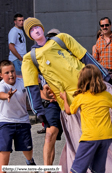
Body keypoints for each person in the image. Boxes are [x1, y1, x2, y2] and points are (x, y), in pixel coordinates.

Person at [22, 17, 112, 173]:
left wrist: (104, 76)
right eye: (31, 30)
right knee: (83, 143)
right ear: (29, 35)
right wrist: (38, 111)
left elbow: (86, 57)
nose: (36, 30)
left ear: (42, 28)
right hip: (74, 104)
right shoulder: (29, 59)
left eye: (37, 27)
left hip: (95, 91)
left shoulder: (62, 39)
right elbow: (31, 87)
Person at [60, 64, 112, 173]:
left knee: (77, 169)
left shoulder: (80, 97)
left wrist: (64, 99)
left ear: (81, 79)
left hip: (90, 137)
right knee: (98, 169)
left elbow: (69, 111)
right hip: (107, 137)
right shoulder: (107, 95)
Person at [25, 25, 63, 173]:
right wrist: (45, 94)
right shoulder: (37, 60)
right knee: (49, 135)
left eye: (55, 38)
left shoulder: (68, 56)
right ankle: (47, 170)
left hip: (70, 102)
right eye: (49, 37)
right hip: (52, 104)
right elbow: (36, 89)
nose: (51, 40)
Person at [0, 60, 36, 173]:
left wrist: (47, 94)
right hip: (5, 122)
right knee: (4, 149)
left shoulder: (22, 82)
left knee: (27, 149)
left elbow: (36, 92)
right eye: (6, 73)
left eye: (12, 71)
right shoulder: (1, 86)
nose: (10, 74)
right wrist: (7, 95)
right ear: (1, 75)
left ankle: (30, 162)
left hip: (23, 121)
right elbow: (1, 94)